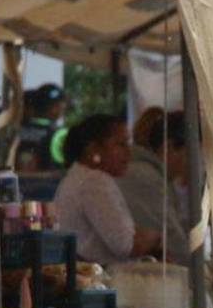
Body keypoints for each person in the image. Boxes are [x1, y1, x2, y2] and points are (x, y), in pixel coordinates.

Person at [54, 114, 160, 265]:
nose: (128, 153)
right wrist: (157, 238)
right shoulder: (94, 181)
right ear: (93, 150)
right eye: (121, 144)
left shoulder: (79, 177)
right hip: (102, 281)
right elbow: (125, 246)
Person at [118, 109, 190, 262]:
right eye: (195, 153)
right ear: (169, 147)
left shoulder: (157, 176)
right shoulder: (145, 178)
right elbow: (176, 245)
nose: (199, 163)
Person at [15, 83, 68, 172]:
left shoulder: (15, 131)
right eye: (61, 103)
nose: (64, 107)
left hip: (17, 184)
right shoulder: (60, 134)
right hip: (49, 184)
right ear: (54, 107)